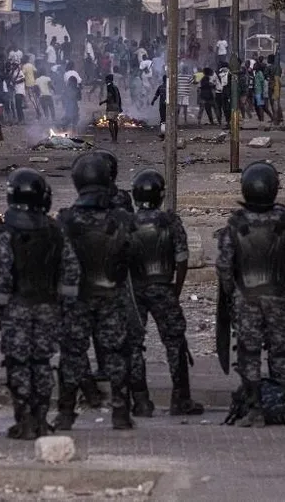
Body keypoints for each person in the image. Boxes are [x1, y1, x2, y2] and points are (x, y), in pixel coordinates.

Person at [215, 162, 285, 427]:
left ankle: (254, 410)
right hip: (278, 294)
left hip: (246, 297)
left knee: (248, 353)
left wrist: (232, 294)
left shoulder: (235, 223)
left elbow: (224, 265)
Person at [0, 169, 79, 439]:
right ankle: (41, 419)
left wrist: (0, 306)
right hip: (47, 306)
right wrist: (64, 303)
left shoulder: (7, 231)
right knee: (42, 363)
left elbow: (1, 272)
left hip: (17, 306)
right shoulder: (55, 230)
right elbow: (71, 269)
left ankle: (24, 420)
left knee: (18, 364)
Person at [55, 152, 136, 431]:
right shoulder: (121, 220)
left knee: (72, 355)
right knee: (116, 354)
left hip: (76, 297)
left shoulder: (65, 221)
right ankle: (121, 412)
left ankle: (65, 412)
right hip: (111, 293)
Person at [127, 169, 204, 417]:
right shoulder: (170, 222)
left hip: (136, 290)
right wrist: (176, 289)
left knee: (134, 345)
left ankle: (140, 400)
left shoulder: (126, 224)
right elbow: (182, 259)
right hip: (163, 287)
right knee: (175, 343)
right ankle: (180, 399)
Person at [99, 74, 123, 142]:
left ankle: (113, 139)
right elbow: (119, 97)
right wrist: (120, 106)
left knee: (110, 123)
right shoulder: (115, 87)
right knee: (115, 122)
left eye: (106, 80)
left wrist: (102, 102)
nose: (105, 81)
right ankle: (115, 138)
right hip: (116, 106)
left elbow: (109, 97)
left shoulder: (109, 87)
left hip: (111, 107)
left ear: (108, 80)